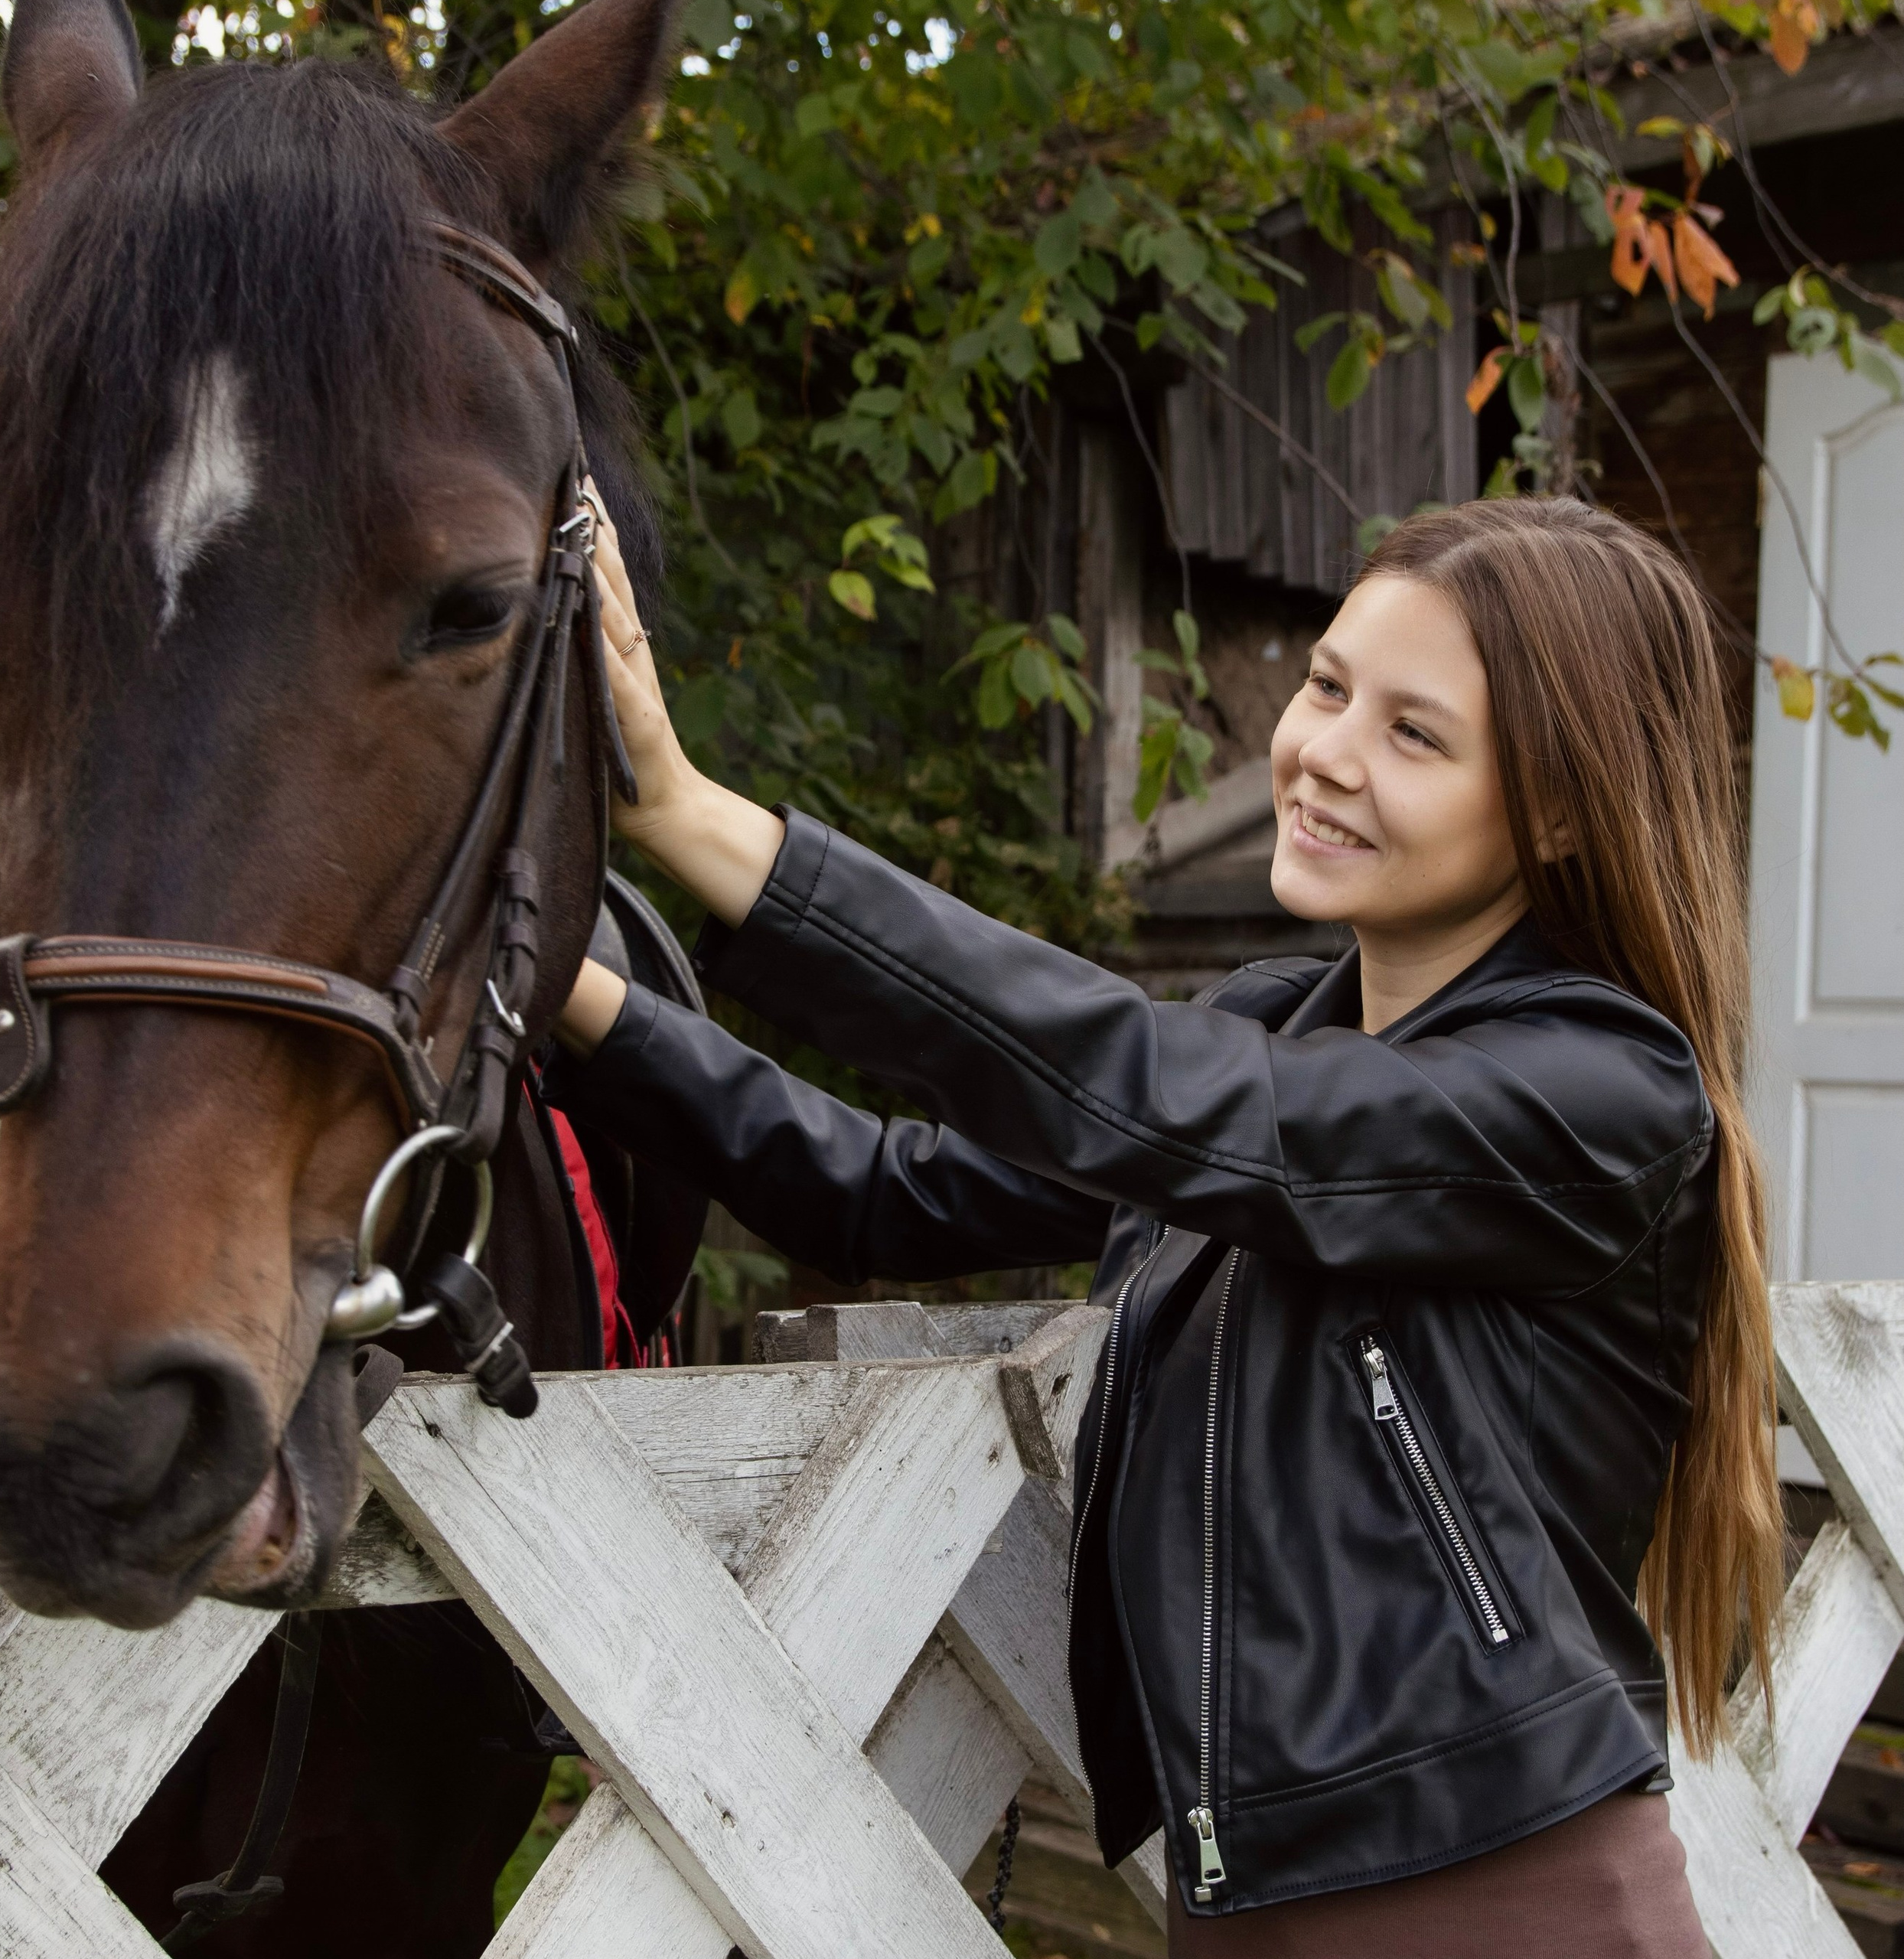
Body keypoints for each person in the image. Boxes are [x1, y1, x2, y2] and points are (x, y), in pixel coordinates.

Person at [549, 495, 1779, 1956]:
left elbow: (1153, 1093)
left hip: (1499, 1905)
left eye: (1416, 734)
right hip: (1251, 1909)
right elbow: (879, 1189)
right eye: (1326, 686)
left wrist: (691, 813)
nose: (1322, 752)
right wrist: (564, 981)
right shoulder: (1276, 1036)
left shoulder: (1600, 1096)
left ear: (1565, 810)